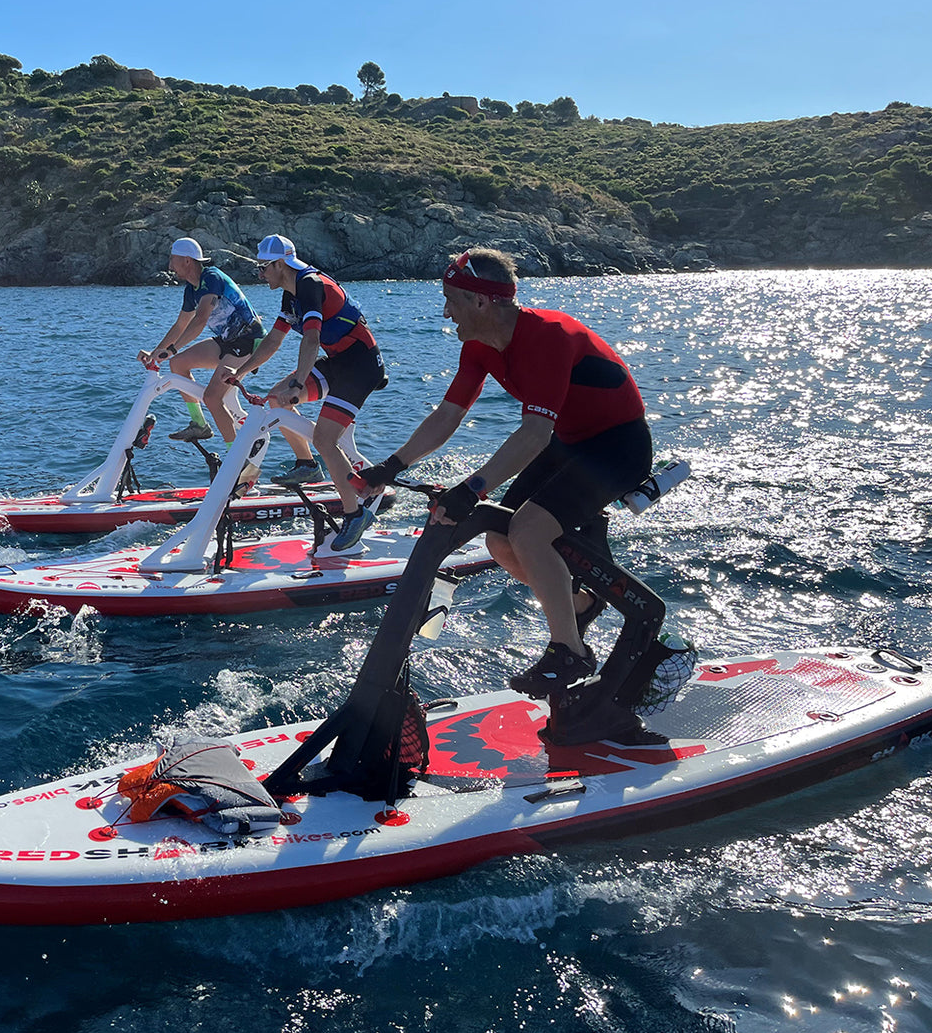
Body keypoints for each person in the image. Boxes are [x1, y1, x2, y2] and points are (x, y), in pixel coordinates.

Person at [355, 248, 652, 695]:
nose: (444, 310)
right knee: (500, 540)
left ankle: (569, 653)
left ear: (480, 301)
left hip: (617, 446)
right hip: (567, 442)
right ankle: (580, 606)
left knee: (528, 531)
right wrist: (392, 465)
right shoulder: (478, 346)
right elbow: (449, 413)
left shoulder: (547, 335)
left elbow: (533, 434)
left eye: (450, 299)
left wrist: (472, 488)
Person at [242, 234, 387, 552]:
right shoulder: (289, 295)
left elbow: (310, 340)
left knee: (324, 438)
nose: (260, 274)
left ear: (280, 265)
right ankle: (308, 464)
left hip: (360, 365)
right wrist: (239, 372)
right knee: (275, 397)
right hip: (338, 362)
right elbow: (272, 342)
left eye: (263, 268)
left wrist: (299, 383)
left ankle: (355, 513)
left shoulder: (308, 285)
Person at [138, 238, 264, 444]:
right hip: (227, 341)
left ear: (187, 260)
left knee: (212, 398)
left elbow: (200, 319)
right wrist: (156, 353)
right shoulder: (191, 289)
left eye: (172, 259)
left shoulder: (211, 277)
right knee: (177, 363)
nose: (169, 266)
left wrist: (172, 349)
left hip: (249, 341)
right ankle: (199, 424)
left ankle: (236, 461)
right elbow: (180, 326)